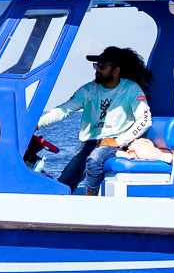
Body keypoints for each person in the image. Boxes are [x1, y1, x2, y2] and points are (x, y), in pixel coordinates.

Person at [36, 46, 153, 195]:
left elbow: (145, 120)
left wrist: (118, 142)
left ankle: (91, 200)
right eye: (96, 65)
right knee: (64, 184)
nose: (97, 69)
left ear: (116, 70)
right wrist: (36, 125)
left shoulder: (131, 89)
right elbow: (64, 110)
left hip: (116, 144)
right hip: (89, 144)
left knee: (95, 159)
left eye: (102, 66)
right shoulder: (88, 90)